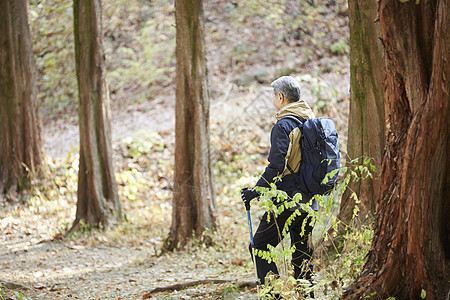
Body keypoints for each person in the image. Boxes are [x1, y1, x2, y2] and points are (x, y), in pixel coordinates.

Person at [241, 76, 317, 293]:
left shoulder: (284, 125)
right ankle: (307, 297)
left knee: (259, 247)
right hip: (311, 200)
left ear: (281, 97)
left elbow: (276, 165)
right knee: (302, 256)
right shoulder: (309, 122)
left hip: (287, 200)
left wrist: (255, 191)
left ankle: (274, 296)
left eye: (274, 96)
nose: (273, 100)